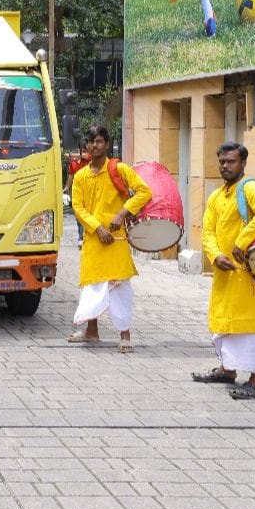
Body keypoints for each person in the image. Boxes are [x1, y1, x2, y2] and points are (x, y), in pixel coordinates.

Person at [193, 142, 255, 400]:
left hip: (249, 275)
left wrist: (242, 242)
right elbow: (207, 231)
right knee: (226, 326)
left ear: (243, 163)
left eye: (231, 162)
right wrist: (215, 255)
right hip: (225, 274)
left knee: (252, 328)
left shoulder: (249, 187)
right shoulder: (216, 196)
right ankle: (227, 370)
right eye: (222, 161)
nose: (225, 166)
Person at [68, 125, 152, 353]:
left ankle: (125, 334)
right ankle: (91, 331)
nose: (94, 146)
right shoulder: (80, 176)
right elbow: (78, 207)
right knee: (92, 286)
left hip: (116, 239)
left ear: (107, 144)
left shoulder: (120, 169)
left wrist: (122, 213)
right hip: (94, 240)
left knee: (120, 286)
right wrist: (97, 228)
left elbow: (144, 192)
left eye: (99, 141)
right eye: (91, 141)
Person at [65, 144, 90, 247]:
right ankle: (81, 237)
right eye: (81, 151)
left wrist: (71, 155)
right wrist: (67, 187)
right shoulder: (73, 163)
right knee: (78, 215)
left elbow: (85, 156)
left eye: (84, 151)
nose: (83, 153)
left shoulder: (89, 160)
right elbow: (71, 176)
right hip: (77, 192)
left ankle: (84, 237)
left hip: (88, 191)